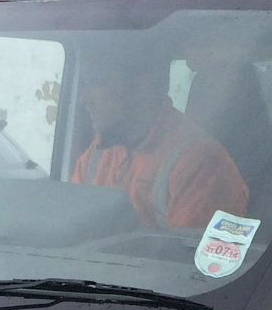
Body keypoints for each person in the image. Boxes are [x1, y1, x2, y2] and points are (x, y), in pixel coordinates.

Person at [72, 57, 251, 230]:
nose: (84, 100)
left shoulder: (201, 162)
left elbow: (185, 259)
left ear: (143, 84)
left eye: (95, 82)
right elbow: (72, 232)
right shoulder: (95, 156)